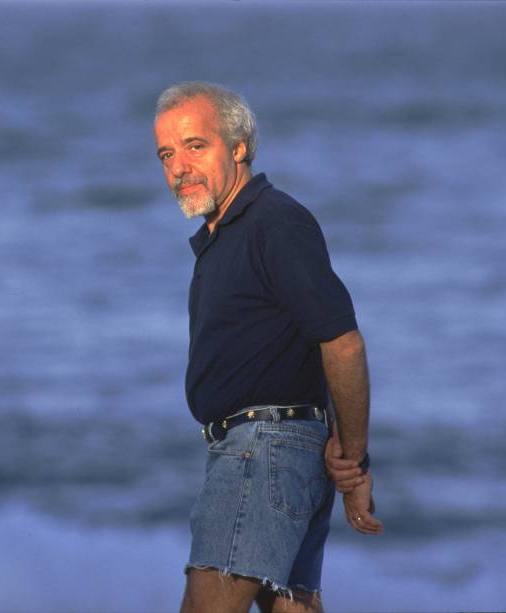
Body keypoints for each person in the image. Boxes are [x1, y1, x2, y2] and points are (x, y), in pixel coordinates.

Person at [153, 82, 383, 613]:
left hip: (263, 453)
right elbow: (299, 343)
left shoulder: (273, 223)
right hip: (283, 449)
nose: (178, 166)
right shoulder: (227, 235)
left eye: (195, 146)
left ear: (238, 147)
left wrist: (355, 459)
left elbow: (342, 342)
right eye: (167, 153)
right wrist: (336, 443)